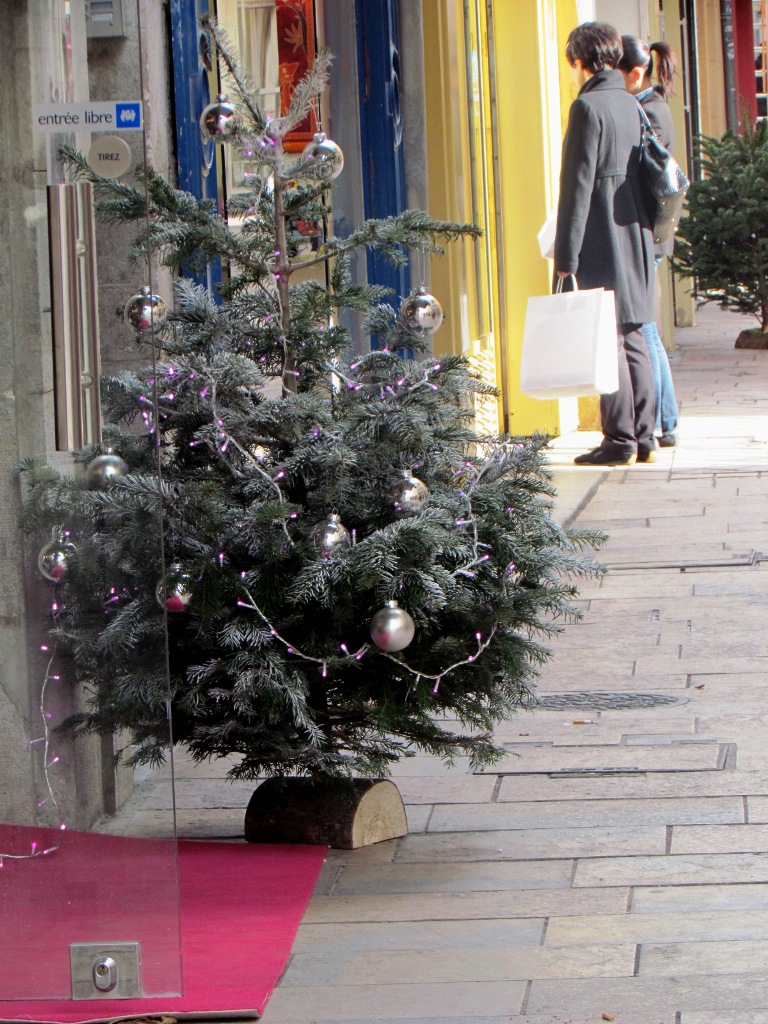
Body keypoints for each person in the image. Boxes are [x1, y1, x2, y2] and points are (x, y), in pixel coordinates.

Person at [555, 22, 657, 466]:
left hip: (601, 233)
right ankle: (645, 436)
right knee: (634, 333)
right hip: (636, 230)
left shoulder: (587, 108)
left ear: (580, 61)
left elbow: (575, 188)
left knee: (609, 336)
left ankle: (619, 441)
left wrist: (565, 258)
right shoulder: (632, 104)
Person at [619, 35, 680, 448]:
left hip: (649, 235)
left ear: (636, 72)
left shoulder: (648, 112)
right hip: (651, 235)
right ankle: (668, 421)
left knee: (646, 330)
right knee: (649, 329)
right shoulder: (652, 106)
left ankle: (665, 420)